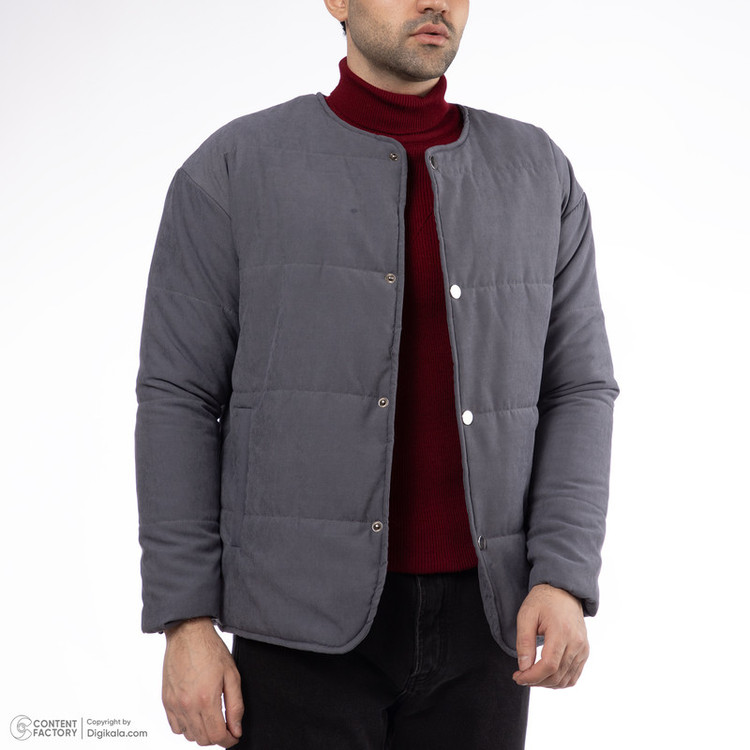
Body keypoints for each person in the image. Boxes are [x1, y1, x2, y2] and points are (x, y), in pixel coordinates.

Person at [134, 0, 619, 747]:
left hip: (488, 629)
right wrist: (185, 620)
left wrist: (563, 574)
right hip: (296, 629)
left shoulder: (537, 172)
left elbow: (578, 388)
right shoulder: (235, 168)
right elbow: (179, 397)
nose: (434, 2)